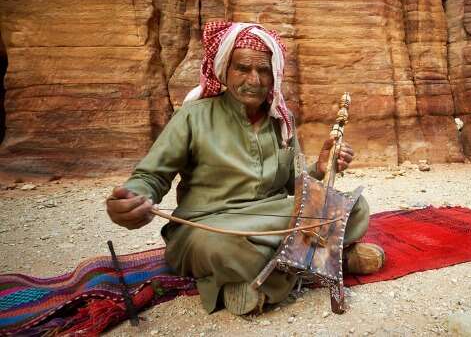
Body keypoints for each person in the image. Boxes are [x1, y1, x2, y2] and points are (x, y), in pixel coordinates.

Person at [105, 21, 384, 315]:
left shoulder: (281, 119)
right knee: (220, 247)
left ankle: (257, 280)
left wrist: (320, 167)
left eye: (263, 70)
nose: (255, 79)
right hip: (212, 226)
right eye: (243, 68)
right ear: (225, 70)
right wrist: (133, 198)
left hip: (270, 218)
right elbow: (150, 177)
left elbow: (295, 187)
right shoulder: (193, 117)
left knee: (354, 207)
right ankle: (324, 260)